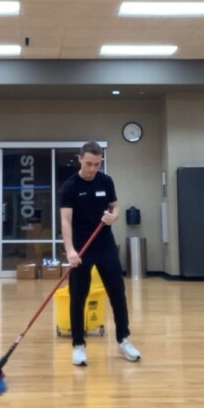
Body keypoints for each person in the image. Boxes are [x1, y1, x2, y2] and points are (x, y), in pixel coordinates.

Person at [60, 141, 141, 366]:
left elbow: (115, 206)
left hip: (105, 245)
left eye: (97, 164)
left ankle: (123, 339)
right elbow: (65, 221)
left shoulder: (106, 181)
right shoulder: (70, 186)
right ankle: (78, 345)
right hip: (81, 248)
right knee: (78, 296)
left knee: (117, 292)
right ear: (80, 159)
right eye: (89, 164)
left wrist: (113, 216)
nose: (93, 169)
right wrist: (70, 250)